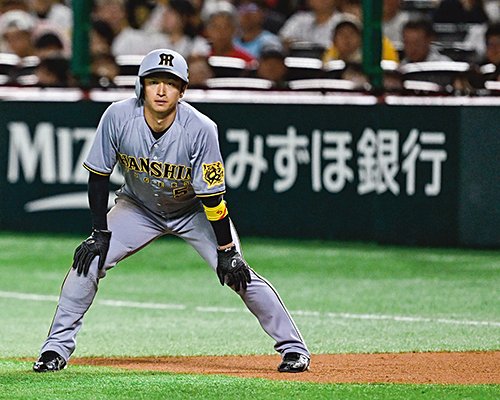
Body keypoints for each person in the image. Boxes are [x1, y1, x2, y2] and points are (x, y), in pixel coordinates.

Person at [32, 48, 310, 374]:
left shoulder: (201, 128)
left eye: (171, 83)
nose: (162, 90)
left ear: (183, 90)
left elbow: (213, 198)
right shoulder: (118, 116)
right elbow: (98, 176)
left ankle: (294, 349)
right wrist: (99, 232)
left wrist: (226, 249)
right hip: (138, 208)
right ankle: (54, 349)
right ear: (141, 85)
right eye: (154, 82)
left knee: (237, 272)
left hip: (193, 210)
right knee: (88, 261)